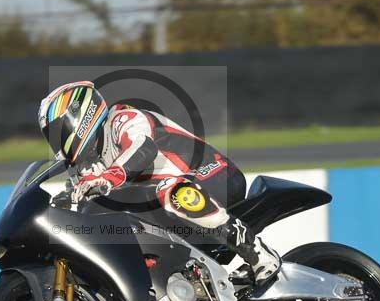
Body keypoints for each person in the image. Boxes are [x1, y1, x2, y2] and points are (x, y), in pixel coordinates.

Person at [38, 80, 279, 282]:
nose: (57, 144)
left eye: (58, 132)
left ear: (81, 115)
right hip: (168, 205)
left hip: (214, 174)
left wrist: (111, 176)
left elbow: (143, 149)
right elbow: (86, 202)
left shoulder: (123, 118)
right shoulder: (86, 164)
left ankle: (257, 251)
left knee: (171, 191)